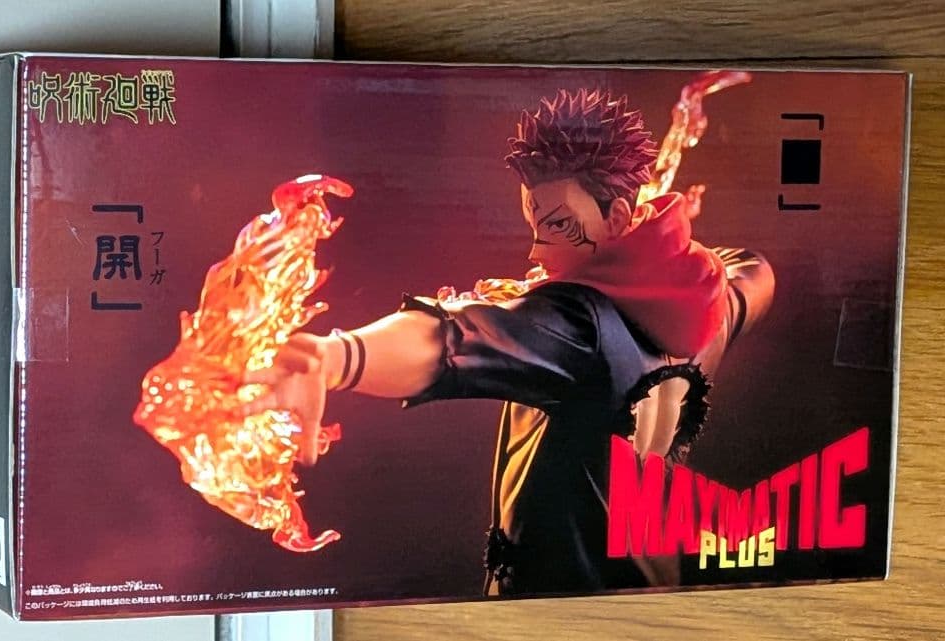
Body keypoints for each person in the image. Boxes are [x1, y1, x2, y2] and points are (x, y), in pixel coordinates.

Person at [240, 88, 775, 595]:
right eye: (533, 224)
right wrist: (662, 246)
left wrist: (337, 357)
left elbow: (455, 339)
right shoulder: (706, 302)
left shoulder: (578, 324)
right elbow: (754, 271)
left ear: (616, 218)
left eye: (558, 226)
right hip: (650, 589)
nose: (535, 252)